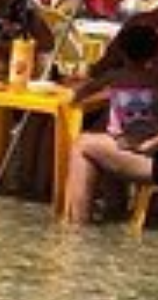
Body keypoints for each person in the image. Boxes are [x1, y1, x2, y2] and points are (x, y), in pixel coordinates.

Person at [64, 23, 158, 224]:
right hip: (145, 145)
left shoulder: (115, 76)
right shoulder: (154, 79)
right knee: (95, 142)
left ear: (122, 53)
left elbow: (86, 89)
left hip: (138, 147)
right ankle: (113, 210)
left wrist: (73, 96)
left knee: (82, 145)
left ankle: (77, 230)